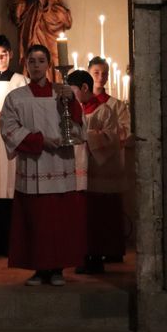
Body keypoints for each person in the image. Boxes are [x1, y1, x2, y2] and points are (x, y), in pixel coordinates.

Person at [1, 44, 86, 286]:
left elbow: (78, 127)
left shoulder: (62, 93)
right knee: (36, 220)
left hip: (59, 166)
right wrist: (40, 140)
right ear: (25, 65)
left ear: (48, 64)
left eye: (40, 61)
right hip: (34, 166)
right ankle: (39, 269)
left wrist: (71, 103)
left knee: (59, 221)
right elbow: (9, 130)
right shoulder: (16, 98)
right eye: (31, 61)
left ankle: (57, 269)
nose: (36, 66)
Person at [68, 69, 123, 273]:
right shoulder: (74, 110)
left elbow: (111, 137)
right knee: (82, 218)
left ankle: (96, 258)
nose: (71, 97)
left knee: (98, 219)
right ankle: (82, 255)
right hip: (79, 170)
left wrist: (85, 136)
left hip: (98, 174)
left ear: (84, 88)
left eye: (73, 91)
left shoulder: (104, 110)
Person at [0, 35, 28, 255]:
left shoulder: (20, 80)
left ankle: (11, 242)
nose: (0, 59)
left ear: (10, 55)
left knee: (9, 187)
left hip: (10, 141)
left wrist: (7, 116)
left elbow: (27, 110)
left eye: (5, 54)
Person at [87, 56, 131, 264]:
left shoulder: (116, 104)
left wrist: (99, 134)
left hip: (110, 163)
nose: (101, 77)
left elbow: (124, 132)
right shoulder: (82, 103)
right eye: (96, 72)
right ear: (88, 73)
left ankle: (113, 250)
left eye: (104, 73)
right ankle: (94, 250)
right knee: (93, 211)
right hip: (89, 163)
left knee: (111, 210)